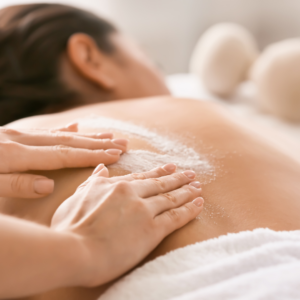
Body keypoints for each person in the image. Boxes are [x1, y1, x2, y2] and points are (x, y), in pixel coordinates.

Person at [1, 3, 300, 300]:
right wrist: (80, 247)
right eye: (152, 60)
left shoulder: (10, 185)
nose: (167, 83)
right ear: (90, 59)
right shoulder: (209, 111)